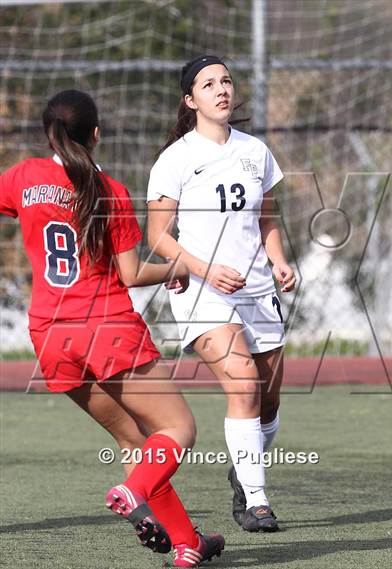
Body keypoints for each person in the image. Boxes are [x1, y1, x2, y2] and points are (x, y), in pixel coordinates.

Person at [0, 89, 224, 567]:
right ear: (96, 134)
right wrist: (179, 268)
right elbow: (131, 274)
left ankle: (188, 544)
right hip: (107, 329)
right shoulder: (112, 192)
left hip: (50, 336)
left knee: (135, 441)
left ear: (48, 134)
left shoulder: (23, 177)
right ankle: (132, 490)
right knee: (179, 428)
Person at [147, 55, 296, 532]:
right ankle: (256, 501)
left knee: (267, 399)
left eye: (226, 81)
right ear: (190, 100)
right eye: (208, 84)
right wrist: (203, 268)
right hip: (201, 290)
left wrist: (279, 260)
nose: (221, 89)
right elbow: (157, 236)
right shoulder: (176, 159)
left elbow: (267, 218)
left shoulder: (256, 151)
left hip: (256, 286)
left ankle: (243, 468)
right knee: (243, 382)